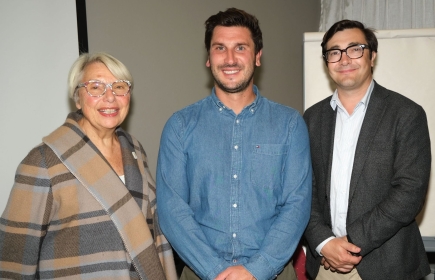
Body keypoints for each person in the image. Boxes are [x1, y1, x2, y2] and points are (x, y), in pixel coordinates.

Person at [156, 7, 312, 280]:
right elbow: (172, 210)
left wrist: (256, 270)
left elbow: (297, 205)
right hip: (202, 273)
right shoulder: (180, 126)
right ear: (208, 58)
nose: (229, 58)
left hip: (273, 273)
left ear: (258, 56)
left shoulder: (290, 124)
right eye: (220, 48)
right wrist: (216, 272)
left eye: (240, 47)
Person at [0, 52, 177, 280]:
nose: (110, 97)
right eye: (96, 87)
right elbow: (13, 261)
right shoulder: (43, 161)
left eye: (119, 87)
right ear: (77, 98)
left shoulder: (135, 151)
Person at [303, 19, 431, 280]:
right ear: (327, 62)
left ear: (372, 56)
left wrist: (351, 242)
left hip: (388, 264)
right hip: (327, 264)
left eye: (355, 48)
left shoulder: (406, 114)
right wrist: (324, 242)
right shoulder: (311, 118)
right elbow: (304, 189)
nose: (344, 58)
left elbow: (409, 194)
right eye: (334, 52)